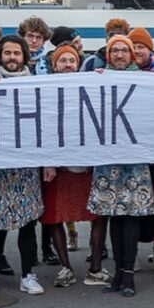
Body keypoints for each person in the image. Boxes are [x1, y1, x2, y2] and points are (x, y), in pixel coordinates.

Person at [0, 35, 44, 297]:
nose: (12, 58)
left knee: (27, 223)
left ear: (24, 56)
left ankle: (28, 274)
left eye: (17, 53)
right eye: (8, 54)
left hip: (26, 165)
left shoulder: (40, 84)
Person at [86, 34, 154, 296]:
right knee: (114, 216)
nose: (119, 55)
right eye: (114, 51)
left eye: (123, 51)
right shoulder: (99, 78)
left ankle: (128, 274)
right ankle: (117, 273)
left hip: (134, 161)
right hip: (109, 161)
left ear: (131, 55)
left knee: (130, 217)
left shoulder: (145, 80)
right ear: (108, 55)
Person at [40, 43, 96, 287]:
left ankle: (96, 268)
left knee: (97, 215)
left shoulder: (91, 88)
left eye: (72, 61)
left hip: (85, 165)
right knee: (55, 216)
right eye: (62, 60)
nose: (68, 65)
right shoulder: (42, 90)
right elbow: (40, 127)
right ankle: (66, 267)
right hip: (58, 167)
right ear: (54, 65)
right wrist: (48, 161)